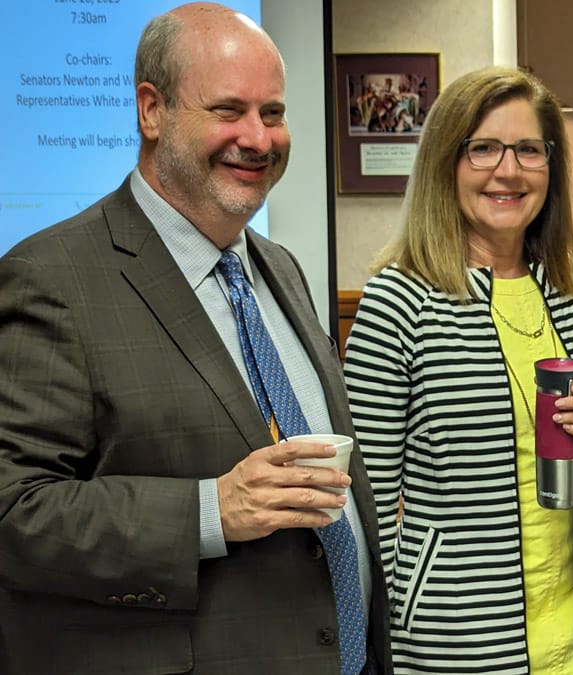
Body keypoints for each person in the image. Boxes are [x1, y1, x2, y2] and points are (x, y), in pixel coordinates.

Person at [0, 4, 391, 674]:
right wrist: (210, 510)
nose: (259, 138)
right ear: (151, 111)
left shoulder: (281, 268)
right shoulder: (52, 277)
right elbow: (14, 509)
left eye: (272, 113)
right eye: (228, 109)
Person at [341, 66, 573, 674]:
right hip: (457, 636)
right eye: (483, 149)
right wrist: (411, 597)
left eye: (529, 149)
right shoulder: (400, 301)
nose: (508, 171)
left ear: (549, 166)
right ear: (445, 165)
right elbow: (363, 501)